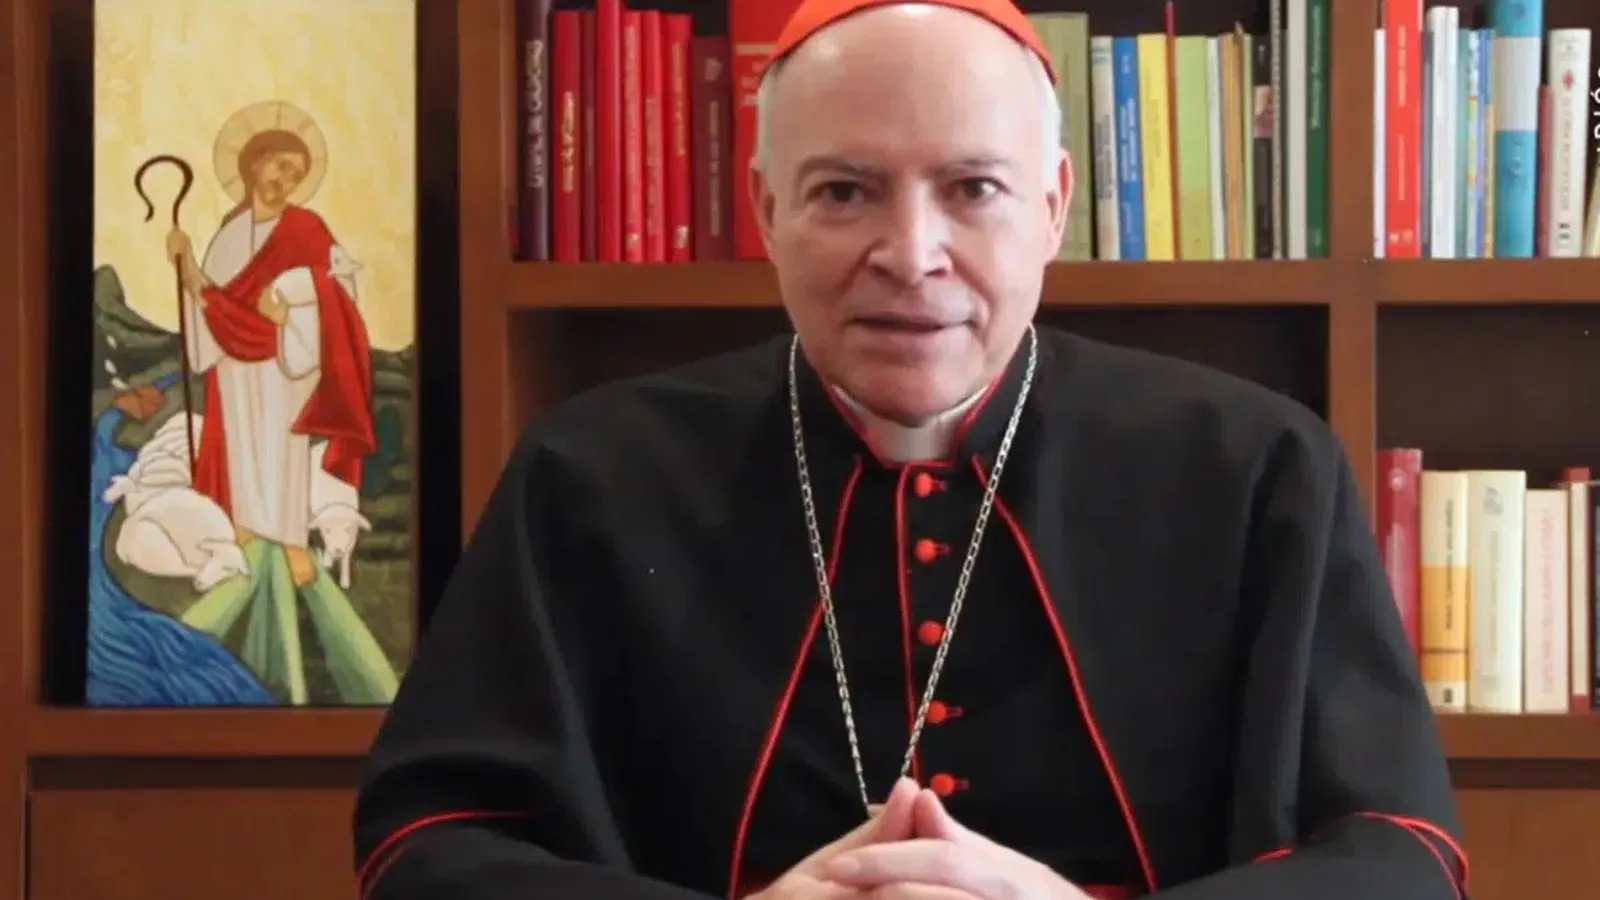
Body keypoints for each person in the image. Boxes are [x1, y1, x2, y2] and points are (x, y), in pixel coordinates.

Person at [350, 0, 1469, 897]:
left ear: (1053, 206)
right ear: (766, 209)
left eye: (973, 189)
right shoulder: (592, 475)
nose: (911, 252)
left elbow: (1400, 852)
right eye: (844, 191)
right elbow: (428, 841)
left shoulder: (1256, 467)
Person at [167, 100, 376, 588]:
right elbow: (208, 297)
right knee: (241, 439)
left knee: (283, 445)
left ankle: (290, 540)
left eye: (295, 173)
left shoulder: (308, 229)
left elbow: (340, 291)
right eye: (278, 165)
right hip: (234, 361)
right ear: (254, 163)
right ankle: (242, 526)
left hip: (287, 357)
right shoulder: (229, 234)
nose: (284, 179)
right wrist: (186, 264)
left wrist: (289, 317)